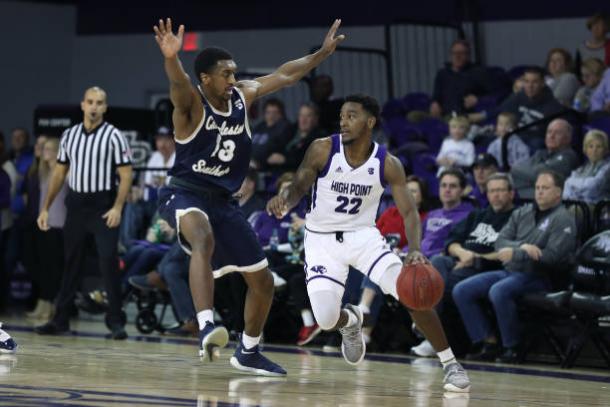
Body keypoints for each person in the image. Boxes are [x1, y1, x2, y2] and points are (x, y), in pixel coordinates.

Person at [153, 17, 345, 376]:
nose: (232, 79)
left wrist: (320, 54)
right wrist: (171, 58)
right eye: (225, 74)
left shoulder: (241, 95)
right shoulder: (191, 104)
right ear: (206, 78)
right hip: (185, 193)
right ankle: (207, 326)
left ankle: (249, 351)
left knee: (263, 282)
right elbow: (178, 82)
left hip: (224, 202)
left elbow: (286, 75)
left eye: (234, 72)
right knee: (202, 238)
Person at [267, 94, 470, 392]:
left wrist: (415, 249)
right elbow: (299, 185)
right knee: (324, 318)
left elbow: (410, 211)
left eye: (351, 116)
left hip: (363, 237)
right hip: (322, 239)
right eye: (341, 116)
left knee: (411, 293)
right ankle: (351, 321)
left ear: (370, 121)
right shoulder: (322, 149)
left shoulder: (388, 163)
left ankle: (451, 364)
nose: (343, 122)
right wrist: (284, 200)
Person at [35, 86, 133, 340]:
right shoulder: (69, 135)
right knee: (71, 263)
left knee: (108, 262)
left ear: (105, 107)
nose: (94, 107)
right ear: (82, 105)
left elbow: (125, 175)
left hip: (103, 206)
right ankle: (61, 320)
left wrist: (118, 207)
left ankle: (116, 322)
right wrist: (45, 207)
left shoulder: (114, 136)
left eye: (99, 103)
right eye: (90, 102)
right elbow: (59, 173)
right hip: (76, 206)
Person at [453, 170, 577, 363]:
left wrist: (518, 252)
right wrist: (523, 247)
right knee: (462, 289)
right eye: (537, 188)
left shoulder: (563, 219)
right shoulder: (524, 211)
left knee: (499, 291)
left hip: (541, 277)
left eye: (545, 188)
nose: (540, 192)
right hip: (510, 271)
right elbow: (501, 241)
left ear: (558, 192)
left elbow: (552, 257)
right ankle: (488, 341)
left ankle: (512, 347)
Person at [412, 173, 515, 357]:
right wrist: (463, 253)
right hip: (462, 261)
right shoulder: (479, 214)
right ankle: (430, 325)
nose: (496, 195)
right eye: (492, 191)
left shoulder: (515, 218)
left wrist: (474, 257)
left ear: (511, 193)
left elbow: (507, 253)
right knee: (437, 261)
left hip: (486, 266)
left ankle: (430, 328)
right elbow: (451, 241)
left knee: (447, 283)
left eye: (500, 190)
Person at [469, 67, 563, 151]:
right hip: (513, 134)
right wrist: (482, 116)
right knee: (483, 140)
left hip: (533, 138)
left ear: (542, 83)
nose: (530, 86)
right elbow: (500, 109)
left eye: (534, 82)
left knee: (536, 144)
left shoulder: (553, 105)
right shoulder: (519, 95)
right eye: (526, 81)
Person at [27, 138, 67, 320]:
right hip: (44, 223)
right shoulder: (43, 172)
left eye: (50, 149)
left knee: (53, 268)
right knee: (43, 267)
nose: (45, 152)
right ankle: (42, 303)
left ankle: (51, 304)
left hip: (59, 224)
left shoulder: (65, 171)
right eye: (44, 149)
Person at [511, 119, 580, 199]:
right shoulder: (541, 153)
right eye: (549, 132)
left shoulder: (569, 156)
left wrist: (515, 168)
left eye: (557, 133)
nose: (551, 136)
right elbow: (526, 170)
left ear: (568, 138)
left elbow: (538, 175)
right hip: (528, 194)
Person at [429, 39, 491, 116]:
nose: (457, 56)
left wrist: (478, 100)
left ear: (468, 55)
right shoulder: (442, 74)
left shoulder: (478, 73)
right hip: (445, 115)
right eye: (454, 53)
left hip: (467, 116)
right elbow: (436, 96)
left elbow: (492, 95)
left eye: (461, 53)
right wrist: (434, 103)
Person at [563, 129, 610, 203]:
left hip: (598, 207)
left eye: (599, 146)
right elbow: (567, 185)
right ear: (585, 149)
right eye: (591, 146)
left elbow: (593, 187)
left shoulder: (607, 167)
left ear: (605, 149)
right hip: (579, 205)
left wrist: (574, 184)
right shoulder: (582, 168)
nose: (594, 150)